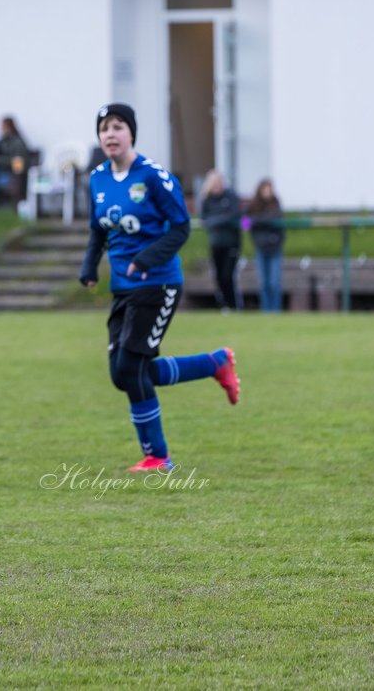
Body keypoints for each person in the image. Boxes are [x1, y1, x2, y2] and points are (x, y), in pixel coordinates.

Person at [79, 103, 240, 472]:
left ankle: (158, 456)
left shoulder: (153, 177)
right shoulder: (98, 179)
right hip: (123, 287)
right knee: (123, 373)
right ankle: (216, 363)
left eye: (118, 126)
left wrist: (145, 260)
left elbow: (181, 227)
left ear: (131, 133)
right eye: (104, 128)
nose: (110, 134)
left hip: (159, 283)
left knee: (132, 369)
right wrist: (89, 267)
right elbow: (99, 230)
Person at [200, 169, 243, 311]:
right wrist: (219, 219)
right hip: (215, 243)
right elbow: (205, 220)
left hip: (231, 243)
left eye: (219, 181)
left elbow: (234, 215)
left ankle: (234, 305)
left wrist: (217, 220)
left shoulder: (230, 196)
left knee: (228, 275)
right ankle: (225, 305)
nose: (217, 185)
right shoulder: (207, 199)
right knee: (218, 276)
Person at [245, 178, 287, 312]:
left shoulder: (276, 204)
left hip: (274, 247)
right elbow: (245, 224)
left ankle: (276, 311)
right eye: (265, 190)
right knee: (263, 283)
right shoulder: (253, 206)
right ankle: (266, 311)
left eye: (270, 190)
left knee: (274, 282)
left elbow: (273, 219)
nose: (268, 193)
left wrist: (256, 221)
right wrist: (255, 222)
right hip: (260, 247)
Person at [0, 114, 33, 209]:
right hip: (2, 172)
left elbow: (18, 162)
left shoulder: (18, 143)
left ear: (9, 128)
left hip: (13, 175)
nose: (1, 129)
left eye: (3, 127)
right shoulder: (4, 141)